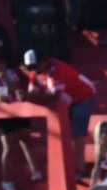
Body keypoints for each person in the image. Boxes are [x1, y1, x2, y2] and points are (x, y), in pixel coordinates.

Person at [20, 49, 97, 182]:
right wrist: (25, 96)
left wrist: (30, 97)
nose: (34, 70)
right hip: (68, 99)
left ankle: (80, 168)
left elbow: (55, 95)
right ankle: (72, 167)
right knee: (67, 133)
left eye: (36, 66)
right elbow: (32, 94)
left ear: (44, 62)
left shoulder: (57, 69)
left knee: (77, 133)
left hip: (84, 95)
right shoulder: (35, 73)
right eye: (30, 68)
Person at [0, 49, 42, 190]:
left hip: (18, 109)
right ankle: (7, 180)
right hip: (3, 114)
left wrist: (5, 78)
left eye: (1, 65)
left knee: (26, 139)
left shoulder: (11, 73)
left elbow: (16, 88)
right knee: (9, 147)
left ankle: (35, 170)